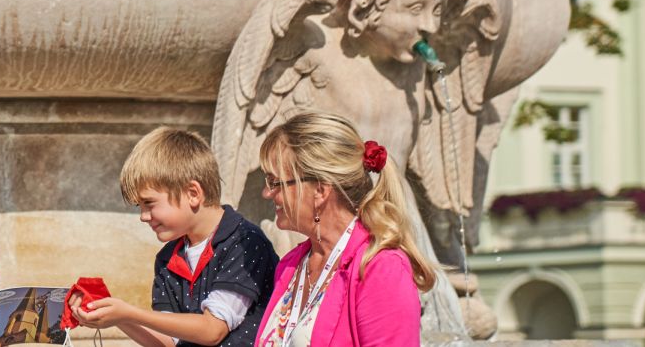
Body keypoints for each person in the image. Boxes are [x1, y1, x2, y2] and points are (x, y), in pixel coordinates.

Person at [71, 128, 279, 347]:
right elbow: (169, 342)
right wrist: (118, 317)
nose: (143, 216)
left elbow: (212, 330)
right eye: (139, 207)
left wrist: (130, 313)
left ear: (193, 193)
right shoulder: (167, 259)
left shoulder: (244, 243)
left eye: (149, 203)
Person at [252, 111, 436, 346]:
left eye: (275, 182)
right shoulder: (291, 264)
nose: (267, 193)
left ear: (320, 190)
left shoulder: (381, 268)